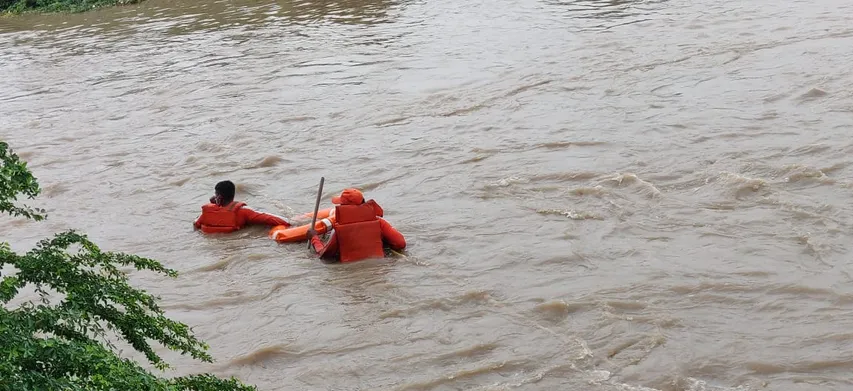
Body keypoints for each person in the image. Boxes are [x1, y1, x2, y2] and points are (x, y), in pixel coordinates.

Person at [306, 188, 405, 263]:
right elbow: (400, 243)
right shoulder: (379, 222)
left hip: (350, 270)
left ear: (344, 208)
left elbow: (325, 254)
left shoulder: (339, 229)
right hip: (380, 267)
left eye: (340, 204)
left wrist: (314, 238)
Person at [193, 180, 291, 234]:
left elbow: (196, 224)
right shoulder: (243, 212)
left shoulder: (205, 214)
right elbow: (278, 220)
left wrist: (214, 204)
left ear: (218, 197)